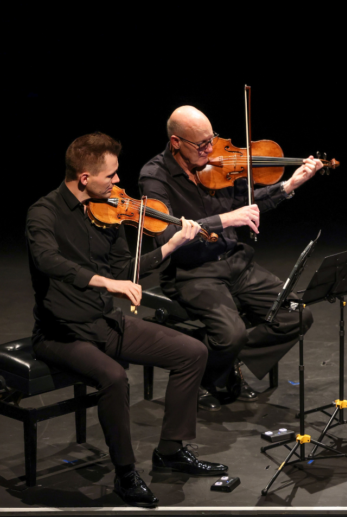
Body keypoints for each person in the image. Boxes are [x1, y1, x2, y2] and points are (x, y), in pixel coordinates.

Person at [27, 133, 227, 508]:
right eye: (111, 175)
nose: (119, 181)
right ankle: (125, 474)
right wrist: (105, 282)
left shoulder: (110, 211)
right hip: (61, 333)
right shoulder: (44, 213)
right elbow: (47, 260)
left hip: (104, 321)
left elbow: (124, 269)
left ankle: (170, 450)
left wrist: (171, 246)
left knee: (192, 352)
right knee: (115, 377)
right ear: (84, 177)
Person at [139, 106, 322, 411]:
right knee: (230, 334)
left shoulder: (220, 164)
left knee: (297, 314)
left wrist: (289, 185)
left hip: (237, 264)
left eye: (212, 140)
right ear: (176, 142)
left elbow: (248, 205)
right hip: (193, 271)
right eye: (201, 145)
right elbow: (165, 235)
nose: (210, 150)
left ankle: (221, 359)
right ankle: (213, 368)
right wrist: (224, 220)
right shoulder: (154, 176)